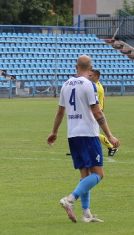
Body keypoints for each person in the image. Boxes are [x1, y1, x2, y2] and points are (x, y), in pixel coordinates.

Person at [47, 55, 120, 224]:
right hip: (88, 133)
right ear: (91, 68)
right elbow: (97, 112)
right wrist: (109, 135)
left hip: (73, 135)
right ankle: (70, 199)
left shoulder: (66, 84)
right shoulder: (90, 85)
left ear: (76, 66)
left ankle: (86, 214)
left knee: (85, 174)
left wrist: (54, 132)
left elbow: (60, 112)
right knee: (98, 175)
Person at [90, 69, 118, 156]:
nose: (89, 76)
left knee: (94, 133)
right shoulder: (98, 85)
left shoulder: (96, 87)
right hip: (97, 111)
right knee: (91, 132)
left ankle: (112, 147)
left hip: (95, 112)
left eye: (91, 75)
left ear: (96, 77)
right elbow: (103, 99)